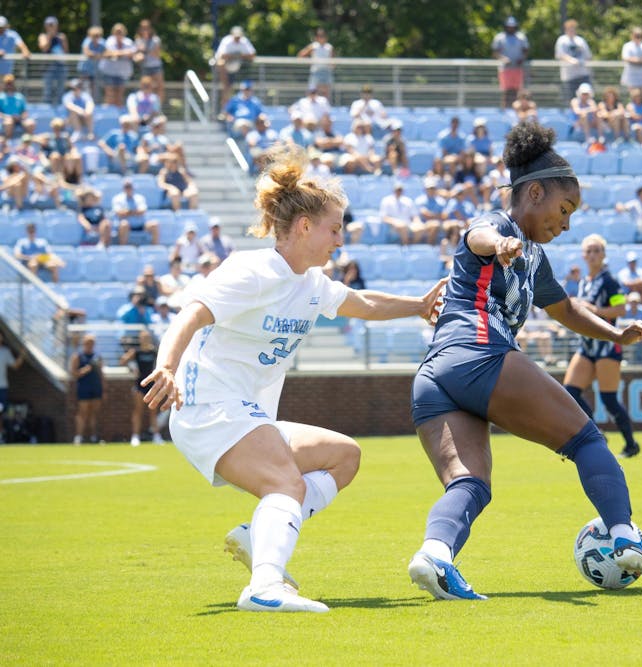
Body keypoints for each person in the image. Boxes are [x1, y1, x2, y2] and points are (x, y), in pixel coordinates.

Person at [139, 144, 447, 613]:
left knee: (345, 456)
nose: (339, 240)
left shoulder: (311, 283)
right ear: (304, 227)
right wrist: (166, 364)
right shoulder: (253, 270)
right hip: (208, 408)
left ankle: (259, 535)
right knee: (286, 483)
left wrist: (418, 306)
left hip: (244, 413)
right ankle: (264, 587)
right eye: (334, 229)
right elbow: (192, 313)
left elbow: (362, 304)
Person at [406, 122, 642, 601]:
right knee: (587, 438)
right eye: (564, 209)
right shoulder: (501, 227)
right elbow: (477, 236)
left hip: (434, 375)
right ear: (533, 193)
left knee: (470, 484)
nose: (566, 223)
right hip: (477, 351)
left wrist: (616, 332)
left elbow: (565, 309)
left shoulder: (535, 257)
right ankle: (626, 537)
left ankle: (435, 555)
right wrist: (500, 244)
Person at [563, 234, 642, 458]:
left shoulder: (610, 281)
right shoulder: (584, 282)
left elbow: (621, 310)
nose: (593, 254)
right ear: (583, 255)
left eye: (597, 250)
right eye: (589, 250)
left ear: (603, 254)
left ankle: (630, 444)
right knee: (570, 393)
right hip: (587, 345)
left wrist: (593, 310)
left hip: (607, 345)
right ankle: (597, 433)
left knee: (608, 398)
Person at [120, 329, 163, 447]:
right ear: (139, 339)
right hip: (140, 384)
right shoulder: (136, 352)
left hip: (152, 384)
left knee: (153, 411)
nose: (145, 339)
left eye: (147, 337)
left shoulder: (154, 351)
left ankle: (156, 436)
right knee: (138, 411)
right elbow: (123, 361)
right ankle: (135, 436)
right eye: (143, 337)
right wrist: (131, 366)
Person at [69, 333, 103, 445]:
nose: (90, 345)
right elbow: (73, 373)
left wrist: (104, 387)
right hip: (84, 387)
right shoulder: (78, 356)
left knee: (94, 413)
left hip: (96, 386)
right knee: (82, 413)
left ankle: (94, 436)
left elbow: (101, 373)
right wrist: (85, 370)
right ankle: (79, 437)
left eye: (92, 343)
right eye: (88, 342)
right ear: (83, 343)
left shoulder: (97, 356)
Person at [214, 26, 256, 110]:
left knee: (229, 89)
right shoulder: (227, 41)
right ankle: (225, 109)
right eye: (236, 37)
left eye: (239, 37)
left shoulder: (244, 41)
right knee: (226, 88)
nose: (237, 39)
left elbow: (252, 55)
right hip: (225, 70)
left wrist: (235, 56)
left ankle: (227, 108)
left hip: (238, 69)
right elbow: (221, 56)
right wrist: (236, 56)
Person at [492, 16, 529, 109]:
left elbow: (525, 51)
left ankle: (517, 110)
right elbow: (495, 53)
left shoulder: (521, 37)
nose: (511, 28)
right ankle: (505, 110)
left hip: (517, 69)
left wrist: (522, 59)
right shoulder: (500, 37)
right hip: (505, 69)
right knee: (506, 91)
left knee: (518, 91)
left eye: (512, 26)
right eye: (509, 26)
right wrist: (503, 59)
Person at [112, 178, 160, 245]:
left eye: (130, 186)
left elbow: (142, 211)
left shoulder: (140, 198)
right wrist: (135, 212)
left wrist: (128, 212)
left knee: (154, 224)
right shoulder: (117, 199)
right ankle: (123, 249)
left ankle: (155, 249)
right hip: (127, 226)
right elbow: (118, 212)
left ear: (133, 187)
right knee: (124, 224)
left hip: (141, 225)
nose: (128, 189)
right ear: (123, 188)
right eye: (126, 187)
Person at [554, 19, 592, 104]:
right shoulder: (562, 40)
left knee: (586, 97)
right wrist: (572, 60)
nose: (572, 30)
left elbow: (588, 55)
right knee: (570, 98)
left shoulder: (580, 40)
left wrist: (580, 62)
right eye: (570, 28)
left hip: (583, 74)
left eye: (573, 28)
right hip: (569, 76)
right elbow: (560, 55)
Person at [99, 23, 136, 108]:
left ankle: (118, 115)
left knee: (119, 96)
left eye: (120, 31)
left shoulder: (128, 42)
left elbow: (132, 53)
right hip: (109, 72)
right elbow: (109, 53)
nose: (119, 33)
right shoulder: (109, 41)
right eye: (117, 31)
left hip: (122, 73)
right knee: (109, 94)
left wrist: (117, 53)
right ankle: (108, 115)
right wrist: (124, 52)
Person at [0, 330, 25, 444]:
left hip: (2, 387)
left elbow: (15, 365)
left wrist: (22, 355)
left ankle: (1, 436)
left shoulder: (5, 352)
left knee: (1, 412)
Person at [37, 16, 68, 108]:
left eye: (52, 25)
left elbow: (66, 51)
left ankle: (60, 108)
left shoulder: (62, 36)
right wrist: (50, 37)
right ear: (45, 26)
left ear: (57, 26)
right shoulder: (43, 36)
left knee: (61, 90)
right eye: (49, 25)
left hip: (61, 66)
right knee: (48, 90)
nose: (51, 26)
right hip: (48, 67)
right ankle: (47, 108)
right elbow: (44, 48)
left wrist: (62, 40)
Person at [296, 28, 334, 101]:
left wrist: (332, 66)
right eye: (320, 36)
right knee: (313, 89)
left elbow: (332, 60)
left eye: (323, 36)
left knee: (326, 91)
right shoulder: (313, 46)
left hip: (326, 71)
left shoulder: (329, 47)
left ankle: (325, 106)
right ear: (317, 37)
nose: (322, 38)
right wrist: (310, 62)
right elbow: (301, 55)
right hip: (316, 71)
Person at [133, 19, 165, 102]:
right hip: (145, 67)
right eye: (143, 28)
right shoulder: (138, 41)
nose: (145, 30)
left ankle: (158, 108)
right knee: (146, 88)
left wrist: (144, 50)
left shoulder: (155, 40)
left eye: (147, 28)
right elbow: (136, 56)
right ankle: (147, 107)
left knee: (159, 87)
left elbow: (157, 54)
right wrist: (139, 56)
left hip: (156, 67)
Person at [78, 25, 105, 102]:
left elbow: (108, 52)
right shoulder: (87, 41)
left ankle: (92, 105)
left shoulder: (102, 42)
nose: (96, 37)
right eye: (94, 35)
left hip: (95, 71)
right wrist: (99, 55)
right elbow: (87, 52)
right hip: (84, 70)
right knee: (83, 89)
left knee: (94, 91)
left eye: (98, 35)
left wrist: (96, 55)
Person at [620, 26, 642, 92]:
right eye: (636, 35)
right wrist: (640, 60)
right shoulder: (627, 45)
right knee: (632, 95)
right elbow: (625, 58)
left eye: (639, 35)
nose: (638, 37)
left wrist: (635, 60)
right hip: (631, 75)